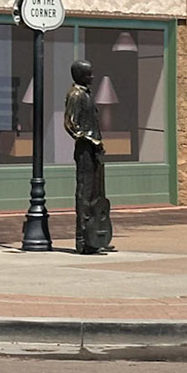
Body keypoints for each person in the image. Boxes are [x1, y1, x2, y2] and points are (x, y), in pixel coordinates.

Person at [64, 60, 115, 254]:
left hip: (94, 149)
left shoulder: (86, 93)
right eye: (88, 74)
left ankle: (95, 235)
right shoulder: (76, 95)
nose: (92, 77)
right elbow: (71, 124)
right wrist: (90, 139)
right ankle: (83, 239)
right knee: (85, 193)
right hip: (85, 149)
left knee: (97, 192)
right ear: (79, 75)